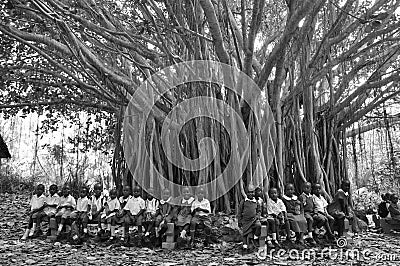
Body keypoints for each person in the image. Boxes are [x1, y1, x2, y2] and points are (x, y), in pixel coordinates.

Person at [237, 184, 261, 251]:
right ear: (246, 193)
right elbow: (239, 212)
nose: (251, 194)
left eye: (252, 192)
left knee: (258, 225)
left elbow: (259, 211)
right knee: (245, 233)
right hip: (245, 220)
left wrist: (257, 217)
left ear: (254, 193)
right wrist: (239, 221)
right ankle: (245, 246)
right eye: (249, 192)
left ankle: (255, 238)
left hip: (254, 220)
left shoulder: (256, 202)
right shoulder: (243, 202)